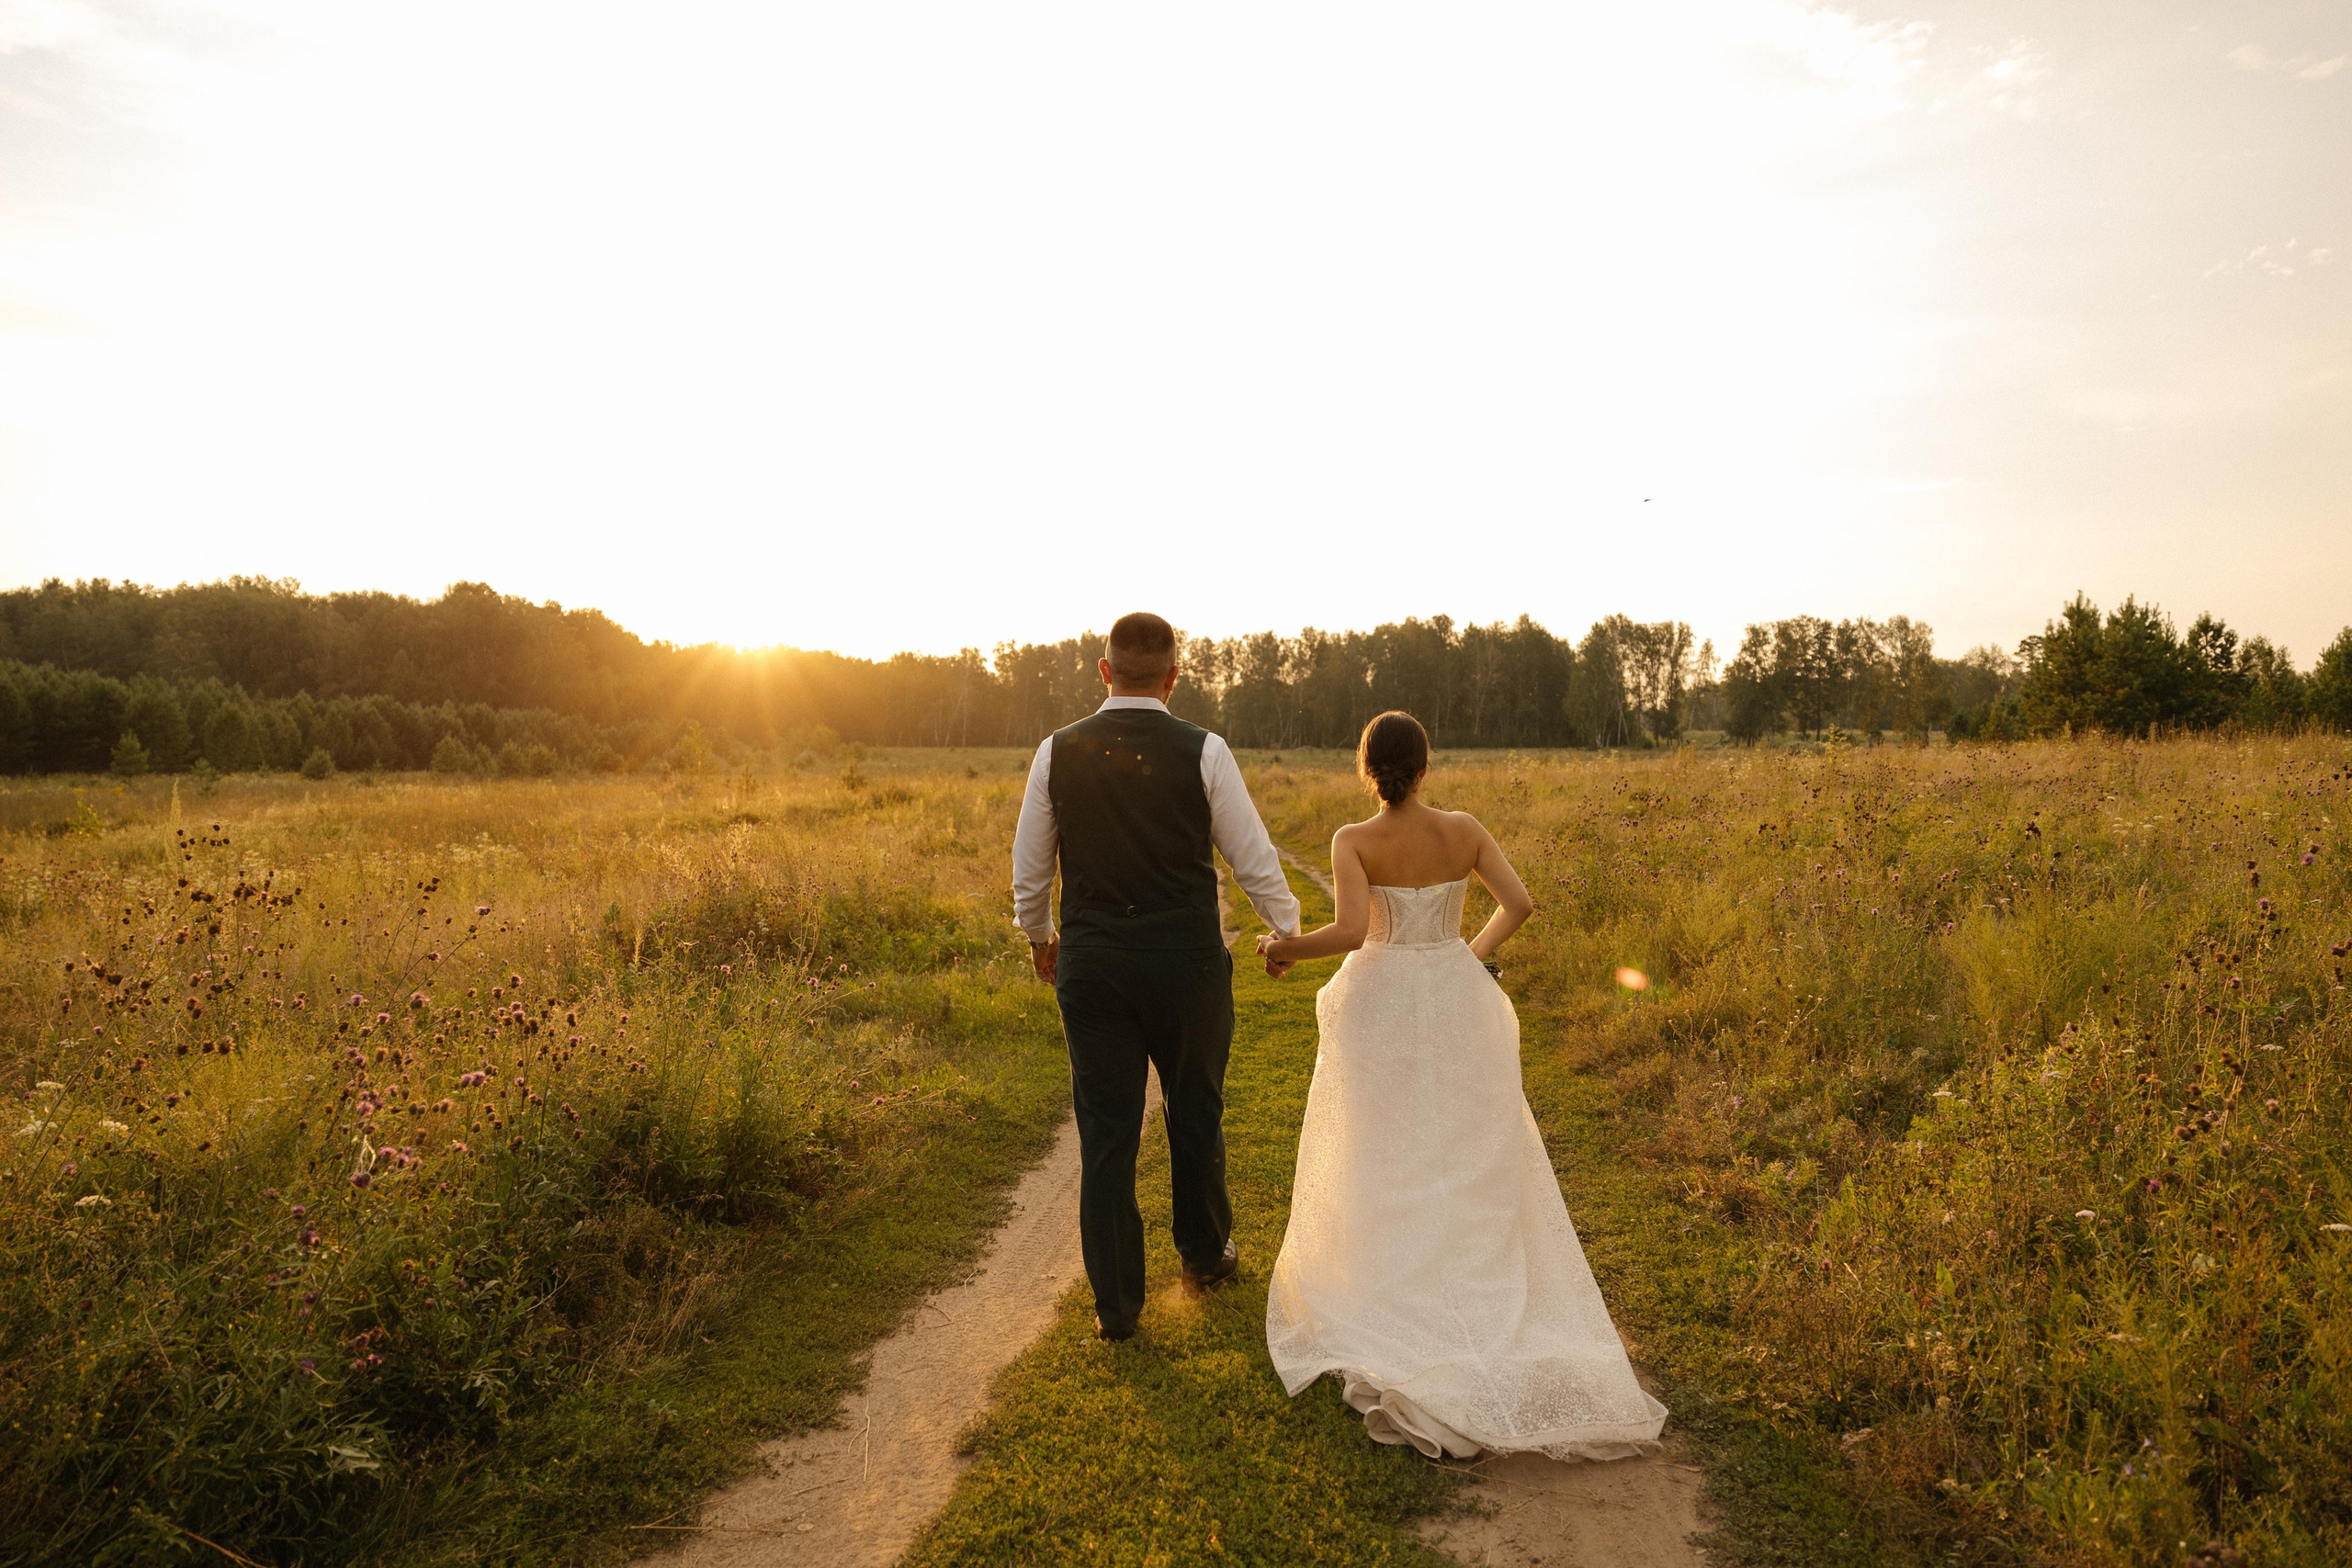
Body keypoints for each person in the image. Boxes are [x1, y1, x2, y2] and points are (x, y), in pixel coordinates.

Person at [1258, 710, 1668, 1461]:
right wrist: (1466, 954)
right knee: (1461, 1145)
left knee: (1383, 1146)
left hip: (1379, 999)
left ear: (1365, 767)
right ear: (1426, 764)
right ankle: (1473, 1280)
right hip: (1456, 992)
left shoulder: (1354, 839)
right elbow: (1521, 902)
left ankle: (1390, 1282)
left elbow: (1352, 931)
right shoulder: (1466, 828)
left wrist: (1283, 945)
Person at [1012, 612, 1302, 1341]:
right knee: (1194, 1108)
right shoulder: (1204, 750)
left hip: (1095, 966)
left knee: (1106, 1130)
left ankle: (1117, 1307)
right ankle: (1203, 1255)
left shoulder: (1056, 751)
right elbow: (1252, 855)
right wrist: (1288, 931)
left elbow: (1030, 869)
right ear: (1174, 678)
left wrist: (1041, 937)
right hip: (1188, 966)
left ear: (1104, 671)